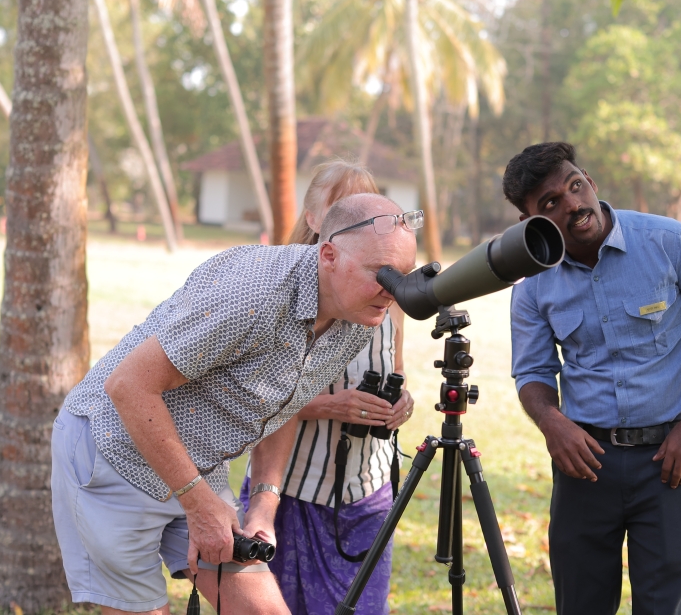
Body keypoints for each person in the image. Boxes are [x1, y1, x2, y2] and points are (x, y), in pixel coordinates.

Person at [50, 192, 418, 615]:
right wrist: (197, 502)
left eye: (402, 275)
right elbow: (128, 386)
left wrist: (264, 501)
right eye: (381, 273)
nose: (392, 291)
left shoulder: (359, 315)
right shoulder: (254, 292)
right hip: (114, 449)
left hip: (194, 467)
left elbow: (287, 400)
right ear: (329, 255)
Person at [502, 142, 681, 615]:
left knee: (665, 608)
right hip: (584, 465)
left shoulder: (670, 242)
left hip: (670, 462)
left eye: (575, 186)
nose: (572, 204)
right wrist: (553, 425)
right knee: (580, 604)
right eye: (550, 203)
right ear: (529, 223)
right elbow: (532, 372)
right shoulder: (532, 285)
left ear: (591, 182)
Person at [240, 160, 416, 614]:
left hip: (367, 491)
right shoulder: (284, 294)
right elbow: (257, 398)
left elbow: (395, 372)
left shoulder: (390, 300)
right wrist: (331, 405)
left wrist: (401, 405)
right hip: (291, 490)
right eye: (342, 208)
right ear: (316, 217)